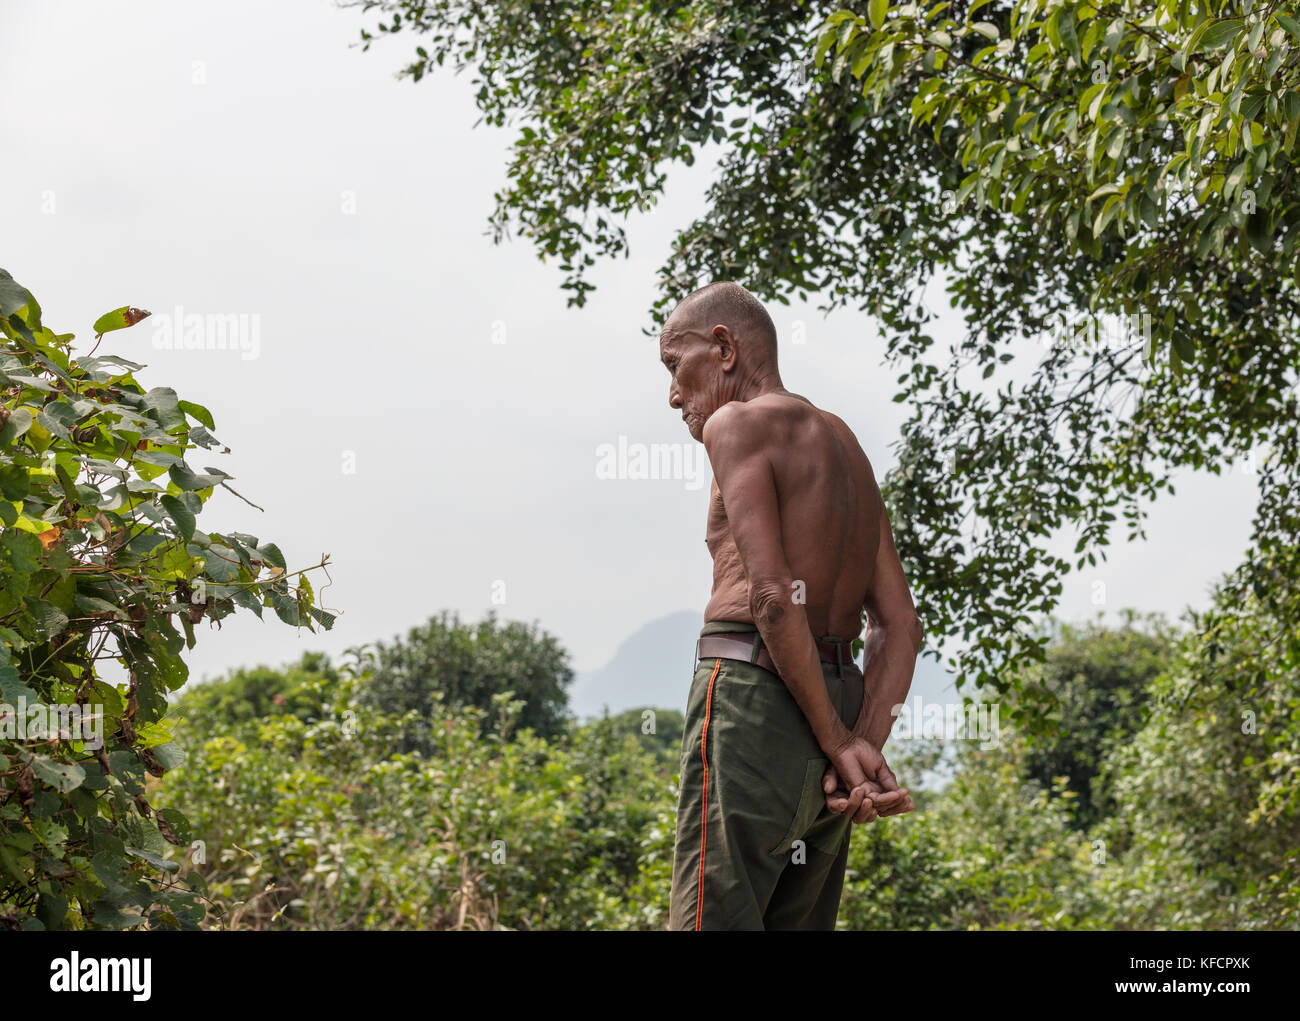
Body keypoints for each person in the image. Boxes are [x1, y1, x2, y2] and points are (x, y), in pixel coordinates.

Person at [661, 282, 924, 931]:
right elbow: (900, 624)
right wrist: (857, 749)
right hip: (836, 699)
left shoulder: (736, 424)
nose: (672, 394)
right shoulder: (845, 447)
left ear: (723, 347)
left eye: (675, 364)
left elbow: (773, 598)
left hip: (755, 697)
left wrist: (840, 742)